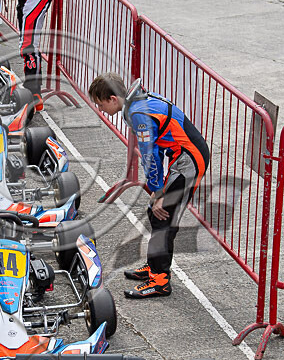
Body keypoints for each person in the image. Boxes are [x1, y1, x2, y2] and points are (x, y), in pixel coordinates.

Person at [88, 74, 210, 300]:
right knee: (155, 212)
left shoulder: (138, 115)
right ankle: (155, 267)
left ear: (113, 99)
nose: (100, 108)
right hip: (183, 156)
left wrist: (159, 191)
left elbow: (150, 155)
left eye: (100, 103)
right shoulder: (138, 101)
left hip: (189, 161)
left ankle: (160, 281)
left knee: (163, 216)